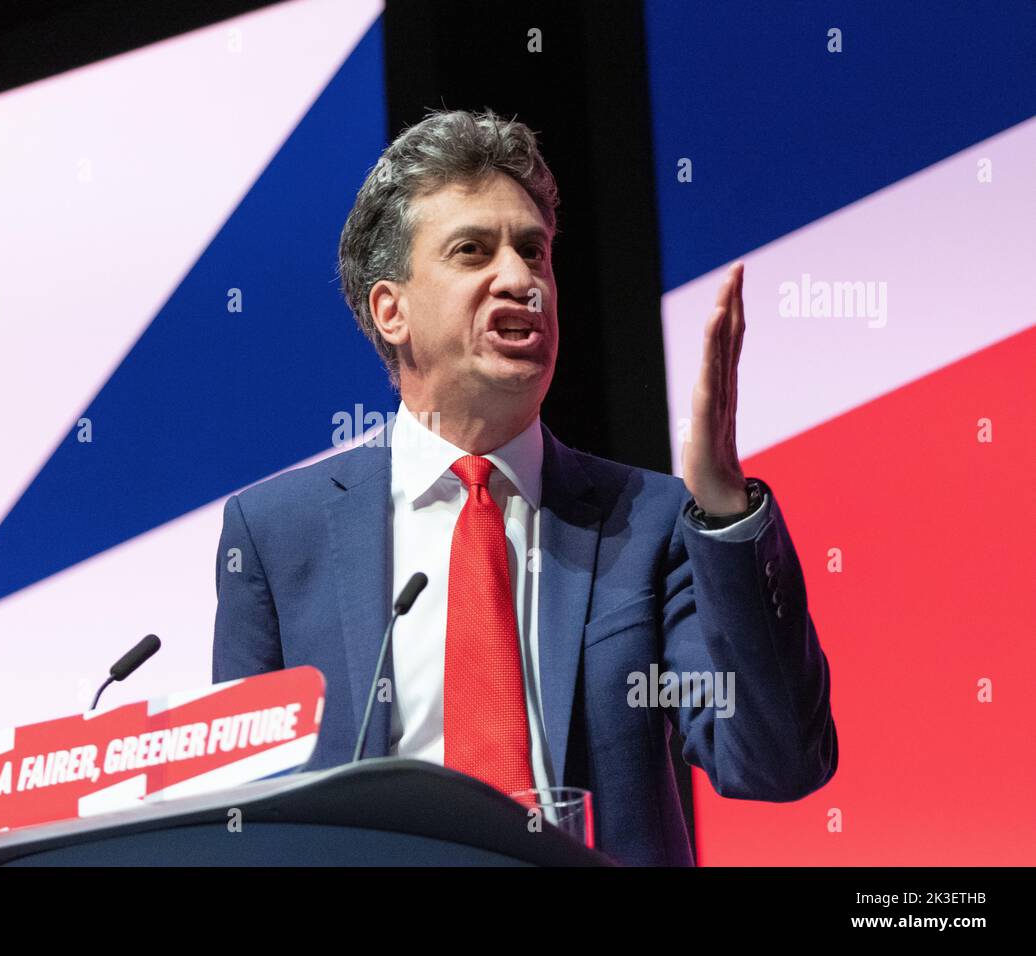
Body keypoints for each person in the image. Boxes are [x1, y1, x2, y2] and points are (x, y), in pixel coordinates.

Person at [212, 108, 837, 865]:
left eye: (534, 253)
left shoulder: (649, 521)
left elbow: (774, 762)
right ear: (392, 309)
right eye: (472, 251)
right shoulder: (277, 536)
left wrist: (724, 508)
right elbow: (243, 821)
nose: (520, 279)